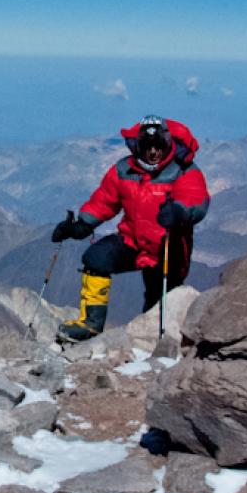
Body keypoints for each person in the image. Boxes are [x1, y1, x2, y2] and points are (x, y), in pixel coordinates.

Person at [51, 114, 210, 343]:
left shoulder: (183, 170)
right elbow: (104, 201)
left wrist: (179, 212)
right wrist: (81, 226)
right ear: (138, 146)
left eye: (159, 147)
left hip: (168, 248)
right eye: (148, 147)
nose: (153, 152)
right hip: (132, 241)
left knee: (158, 303)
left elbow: (195, 198)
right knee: (96, 259)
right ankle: (90, 325)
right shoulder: (124, 170)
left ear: (167, 144)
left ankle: (155, 344)